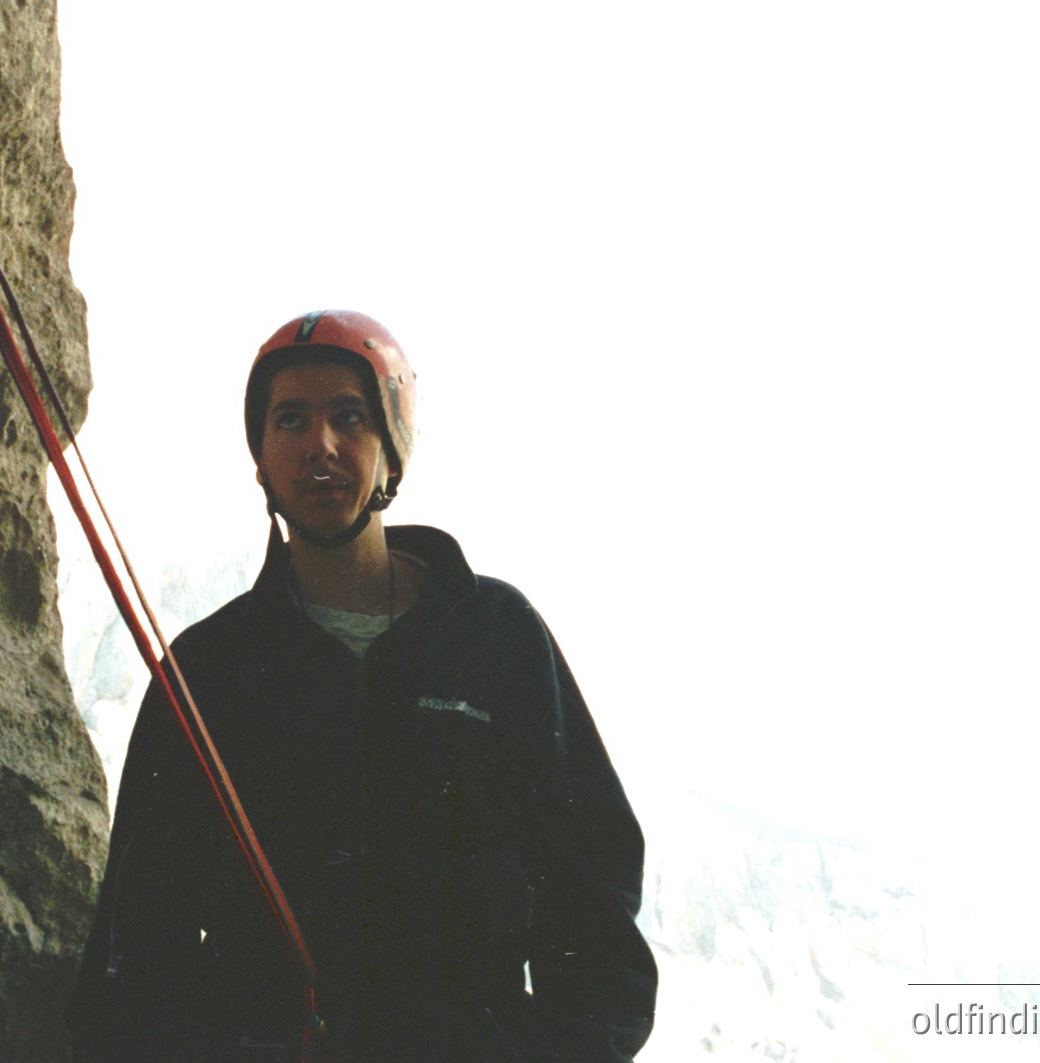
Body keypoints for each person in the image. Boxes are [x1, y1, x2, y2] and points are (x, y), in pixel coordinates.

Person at [68, 310, 657, 1061]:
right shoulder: (210, 670)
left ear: (390, 450)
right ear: (260, 460)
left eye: (349, 416)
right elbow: (138, 941)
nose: (320, 444)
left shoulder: (498, 636)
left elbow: (593, 885)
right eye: (290, 420)